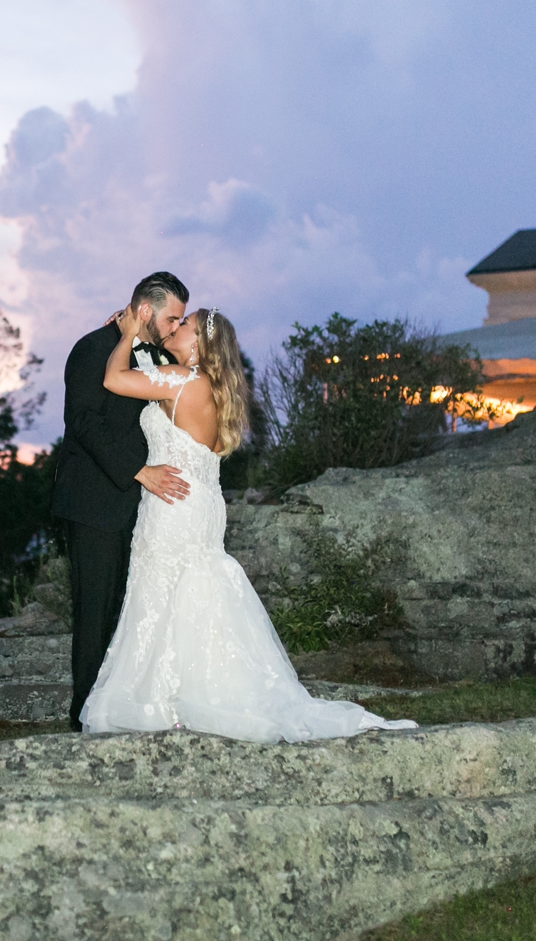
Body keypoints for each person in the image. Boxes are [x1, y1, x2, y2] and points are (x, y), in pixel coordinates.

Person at [79, 306, 418, 743]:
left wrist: (126, 334)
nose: (176, 328)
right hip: (200, 503)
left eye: (184, 325)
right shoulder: (210, 387)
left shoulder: (183, 380)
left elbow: (114, 380)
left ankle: (161, 698)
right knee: (189, 587)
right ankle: (184, 695)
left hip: (172, 505)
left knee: (161, 589)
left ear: (199, 345)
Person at [53, 271, 192, 732]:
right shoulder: (92, 348)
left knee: (125, 608)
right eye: (172, 318)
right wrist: (139, 472)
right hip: (94, 500)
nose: (176, 327)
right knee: (95, 609)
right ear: (145, 310)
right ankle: (84, 714)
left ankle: (116, 703)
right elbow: (83, 422)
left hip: (140, 507)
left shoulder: (154, 354)